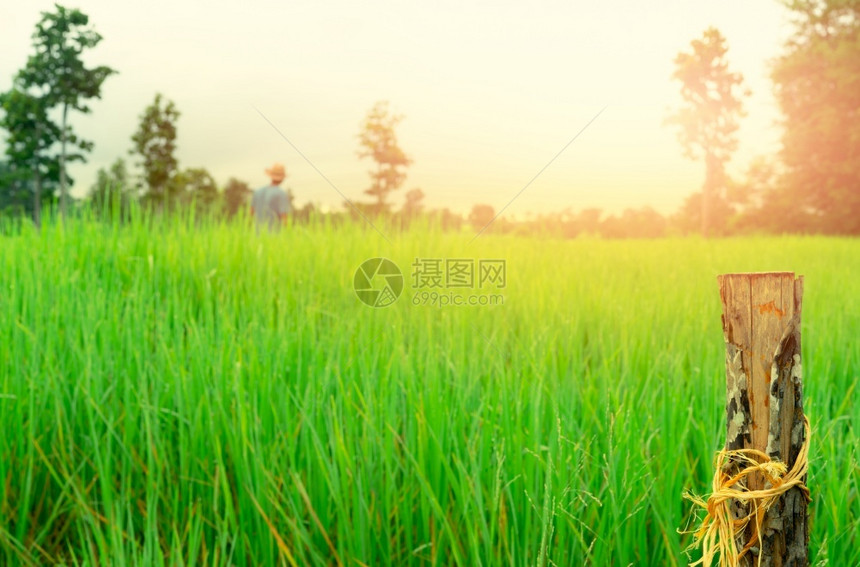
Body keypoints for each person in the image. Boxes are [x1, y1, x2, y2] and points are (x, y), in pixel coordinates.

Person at [250, 162, 291, 230]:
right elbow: (284, 218)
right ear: (282, 178)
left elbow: (251, 213)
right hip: (274, 235)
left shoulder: (257, 192)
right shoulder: (281, 194)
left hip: (256, 235)